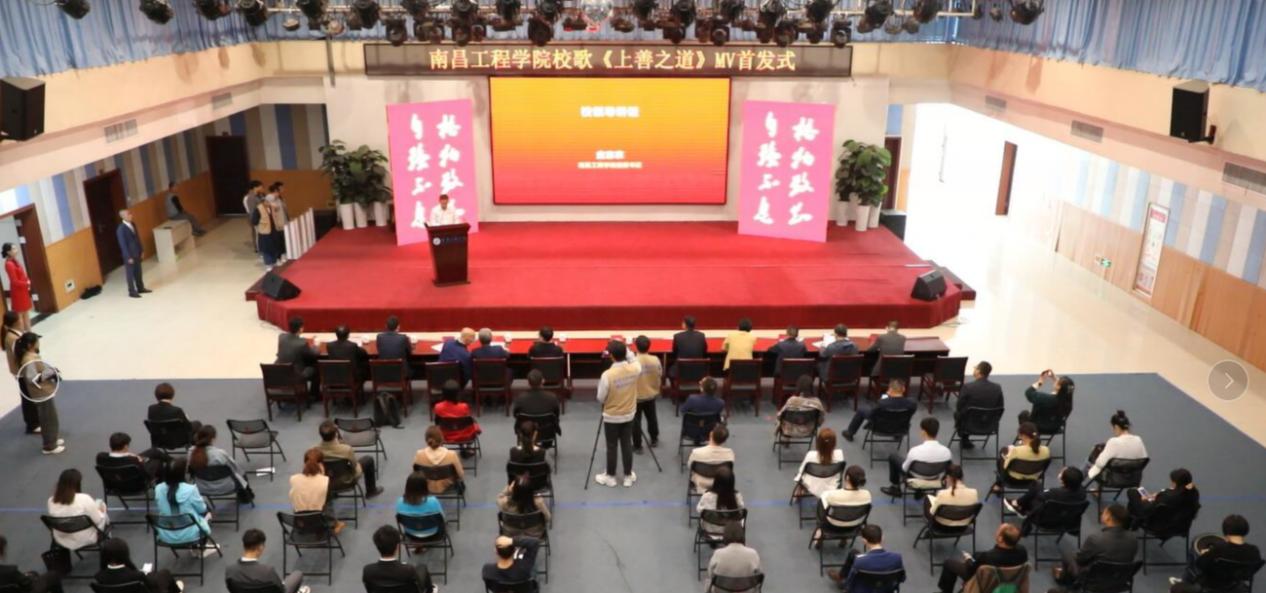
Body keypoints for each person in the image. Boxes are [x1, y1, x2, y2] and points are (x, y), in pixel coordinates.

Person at [1052, 504, 1138, 588]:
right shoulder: (1133, 539)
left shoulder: (1096, 539)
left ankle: (1067, 581)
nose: (1102, 512)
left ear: (1109, 517)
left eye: (1104, 512)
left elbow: (1080, 560)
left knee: (1068, 555)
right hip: (1119, 580)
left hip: (1094, 580)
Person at [1170, 514, 1262, 593]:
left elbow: (1200, 564)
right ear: (1245, 530)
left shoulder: (1218, 550)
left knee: (1176, 588)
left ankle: (1185, 580)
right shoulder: (1254, 551)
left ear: (1225, 531)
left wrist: (1205, 554)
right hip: (1235, 586)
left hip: (1212, 587)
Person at [594, 339, 642, 488]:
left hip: (611, 417)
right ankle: (628, 476)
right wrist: (626, 349)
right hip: (629, 414)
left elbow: (600, 398)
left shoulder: (607, 375)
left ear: (611, 356)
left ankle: (610, 477)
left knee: (611, 446)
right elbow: (634, 360)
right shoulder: (635, 369)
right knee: (627, 444)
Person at [937, 524, 1028, 593]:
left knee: (948, 563)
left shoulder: (986, 557)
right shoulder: (1023, 552)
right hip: (1010, 583)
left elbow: (970, 572)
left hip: (984, 585)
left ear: (1000, 539)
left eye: (998, 530)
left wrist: (968, 559)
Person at [154, 458, 217, 555]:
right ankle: (200, 549)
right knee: (207, 510)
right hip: (191, 534)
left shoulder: (158, 489)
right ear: (183, 474)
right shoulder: (190, 489)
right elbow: (202, 509)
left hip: (166, 534)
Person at [881, 417, 952, 498]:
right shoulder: (947, 452)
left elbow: (904, 469)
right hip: (934, 477)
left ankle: (895, 488)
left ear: (923, 432)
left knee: (893, 457)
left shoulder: (915, 451)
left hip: (916, 477)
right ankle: (920, 491)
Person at [1004, 466, 1087, 535]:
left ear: (1063, 480)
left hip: (1044, 521)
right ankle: (1018, 504)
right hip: (1067, 521)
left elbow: (1040, 495)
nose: (1060, 472)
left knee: (1036, 486)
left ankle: (1018, 505)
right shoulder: (1083, 492)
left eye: (1062, 473)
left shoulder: (1054, 493)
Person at [14, 333, 61, 454]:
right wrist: (50, 373)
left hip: (44, 391)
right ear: (30, 345)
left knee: (51, 417)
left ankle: (53, 439)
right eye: (36, 341)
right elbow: (32, 378)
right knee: (47, 418)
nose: (38, 343)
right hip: (40, 393)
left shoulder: (31, 356)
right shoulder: (29, 359)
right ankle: (49, 445)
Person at [316, 420, 383, 498]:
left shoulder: (315, 451)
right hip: (345, 481)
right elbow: (354, 466)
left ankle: (331, 494)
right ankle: (371, 491)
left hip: (326, 482)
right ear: (335, 434)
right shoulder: (346, 449)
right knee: (368, 460)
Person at [827, 525, 904, 592]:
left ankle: (841, 579)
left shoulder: (860, 562)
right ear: (882, 538)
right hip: (885, 590)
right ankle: (840, 576)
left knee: (846, 581)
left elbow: (850, 584)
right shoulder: (897, 558)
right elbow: (902, 578)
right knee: (854, 553)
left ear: (864, 541)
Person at [226, 529, 307, 593]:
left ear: (244, 545)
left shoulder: (230, 571)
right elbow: (281, 591)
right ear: (260, 547)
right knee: (297, 574)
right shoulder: (268, 572)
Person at [46, 469, 109, 551]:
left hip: (62, 540)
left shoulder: (51, 501)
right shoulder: (84, 498)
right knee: (102, 505)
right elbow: (97, 520)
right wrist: (102, 511)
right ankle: (109, 547)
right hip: (85, 539)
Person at [189, 425, 253, 503]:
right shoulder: (220, 454)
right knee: (241, 473)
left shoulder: (190, 453)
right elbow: (235, 468)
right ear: (213, 439)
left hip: (202, 487)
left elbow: (189, 471)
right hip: (226, 486)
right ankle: (246, 496)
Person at [363, 526, 435, 593]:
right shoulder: (408, 570)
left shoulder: (368, 571)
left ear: (377, 546)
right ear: (397, 547)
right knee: (422, 568)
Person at [842, 378, 917, 442]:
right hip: (900, 428)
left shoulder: (882, 403)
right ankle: (898, 435)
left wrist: (886, 399)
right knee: (899, 415)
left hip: (880, 427)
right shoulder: (912, 403)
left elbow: (872, 415)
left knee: (862, 409)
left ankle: (849, 433)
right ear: (903, 389)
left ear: (890, 389)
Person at [95, 538, 181, 593]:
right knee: (165, 573)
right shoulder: (136, 576)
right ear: (124, 554)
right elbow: (151, 585)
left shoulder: (99, 576)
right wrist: (145, 575)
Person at [289, 448, 344, 534]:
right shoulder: (325, 481)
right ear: (321, 464)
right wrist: (323, 474)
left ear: (304, 464)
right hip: (320, 523)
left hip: (301, 523)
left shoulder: (294, 479)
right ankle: (335, 525)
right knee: (328, 502)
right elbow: (328, 508)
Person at [1086, 410, 1148, 483]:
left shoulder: (1113, 442)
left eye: (1113, 428)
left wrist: (1095, 453)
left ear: (1116, 427)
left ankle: (1076, 482)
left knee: (1089, 461)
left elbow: (1100, 463)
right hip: (1133, 479)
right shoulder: (1138, 440)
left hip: (1114, 479)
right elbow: (1144, 458)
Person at [990, 422, 1050, 495]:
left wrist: (1009, 452)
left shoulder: (1016, 451)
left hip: (1014, 480)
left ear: (1023, 436)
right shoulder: (1046, 450)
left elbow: (1005, 467)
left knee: (1000, 459)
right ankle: (997, 485)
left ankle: (998, 485)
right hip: (1033, 479)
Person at [1127, 468, 1200, 529]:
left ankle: (1132, 522)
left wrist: (1145, 500)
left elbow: (1151, 508)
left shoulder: (1168, 496)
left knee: (1132, 492)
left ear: (1175, 483)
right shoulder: (1193, 493)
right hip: (1181, 526)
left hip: (1158, 525)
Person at [955, 361, 1004, 449]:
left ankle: (964, 437)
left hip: (969, 424)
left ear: (978, 371)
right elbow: (1000, 407)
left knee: (958, 414)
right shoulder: (997, 388)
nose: (974, 369)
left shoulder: (967, 387)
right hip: (989, 424)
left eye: (975, 367)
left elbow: (959, 406)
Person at [4, 311, 37, 434]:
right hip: (22, 371)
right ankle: (32, 424)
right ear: (16, 322)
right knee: (28, 397)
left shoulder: (14, 334)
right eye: (20, 319)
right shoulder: (13, 338)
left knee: (28, 396)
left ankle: (33, 421)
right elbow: (19, 355)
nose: (22, 321)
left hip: (21, 370)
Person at [817, 465, 872, 537]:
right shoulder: (867, 495)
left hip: (833, 525)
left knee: (821, 504)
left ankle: (819, 532)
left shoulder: (832, 495)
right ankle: (844, 539)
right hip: (855, 525)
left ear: (847, 477)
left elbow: (822, 512)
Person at [706, 522, 761, 591]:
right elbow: (758, 576)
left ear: (725, 536)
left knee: (708, 582)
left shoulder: (718, 554)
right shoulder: (753, 554)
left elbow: (710, 574)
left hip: (722, 591)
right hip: (746, 591)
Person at [632, 335, 663, 453]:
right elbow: (660, 373)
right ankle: (654, 439)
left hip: (636, 397)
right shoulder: (655, 359)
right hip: (651, 395)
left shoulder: (632, 361)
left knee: (636, 422)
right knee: (652, 418)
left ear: (636, 347)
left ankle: (637, 446)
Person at [794, 428, 846, 497]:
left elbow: (801, 471)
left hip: (811, 485)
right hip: (832, 485)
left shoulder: (811, 455)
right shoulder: (840, 454)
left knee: (799, 475)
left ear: (818, 443)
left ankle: (800, 490)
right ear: (834, 443)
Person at [413, 425, 465, 494]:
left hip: (426, 486)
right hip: (448, 485)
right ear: (441, 439)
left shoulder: (419, 455)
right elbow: (461, 474)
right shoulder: (452, 455)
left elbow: (415, 472)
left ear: (426, 440)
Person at [97, 431, 170, 480]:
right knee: (157, 462)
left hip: (116, 479)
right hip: (134, 482)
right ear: (125, 446)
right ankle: (172, 467)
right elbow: (144, 473)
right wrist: (140, 461)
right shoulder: (132, 460)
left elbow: (119, 457)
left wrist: (129, 455)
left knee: (153, 451)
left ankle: (173, 463)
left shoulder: (101, 457)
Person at [1020, 370, 1075, 435]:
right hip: (1055, 428)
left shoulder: (1046, 399)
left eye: (1058, 381)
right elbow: (1064, 388)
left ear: (1059, 387)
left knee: (1023, 414)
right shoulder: (1068, 402)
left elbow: (1028, 393)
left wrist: (1040, 382)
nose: (1057, 380)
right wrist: (1054, 378)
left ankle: (1026, 437)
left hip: (1038, 427)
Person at [276, 317, 319, 395]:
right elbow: (315, 353)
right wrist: (313, 345)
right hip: (296, 374)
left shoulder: (281, 337)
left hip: (280, 371)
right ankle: (314, 395)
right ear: (300, 329)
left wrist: (306, 341)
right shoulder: (302, 343)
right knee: (316, 368)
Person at [696, 467, 745, 536]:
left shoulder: (707, 496)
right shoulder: (737, 496)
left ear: (716, 481)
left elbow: (699, 510)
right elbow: (741, 511)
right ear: (732, 483)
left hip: (710, 531)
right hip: (731, 533)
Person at [688, 424, 736, 492]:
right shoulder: (730, 454)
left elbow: (690, 466)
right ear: (724, 440)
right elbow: (729, 469)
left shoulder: (696, 452)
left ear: (711, 434)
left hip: (700, 481)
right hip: (721, 482)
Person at [396, 472, 445, 539]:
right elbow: (442, 519)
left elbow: (401, 521)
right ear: (425, 486)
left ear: (407, 487)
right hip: (434, 534)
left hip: (411, 534)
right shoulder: (433, 501)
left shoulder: (400, 502)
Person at [433, 380, 481, 446]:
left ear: (443, 394)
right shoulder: (464, 406)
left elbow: (436, 423)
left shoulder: (438, 407)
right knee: (472, 421)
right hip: (463, 436)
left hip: (444, 436)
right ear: (458, 394)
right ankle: (467, 446)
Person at [680, 377, 726, 445]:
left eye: (701, 383)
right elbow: (720, 417)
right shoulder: (720, 403)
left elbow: (682, 411)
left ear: (702, 388)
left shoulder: (692, 399)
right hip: (710, 431)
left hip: (690, 431)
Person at [115, 209, 149, 297]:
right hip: (129, 255)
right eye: (128, 214)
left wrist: (141, 250)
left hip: (137, 252)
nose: (131, 215)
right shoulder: (121, 229)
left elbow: (137, 238)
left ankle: (140, 288)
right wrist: (128, 257)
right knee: (130, 273)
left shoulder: (133, 224)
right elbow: (123, 244)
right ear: (123, 216)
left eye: (130, 213)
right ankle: (132, 291)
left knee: (138, 271)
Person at [3, 244, 32, 331]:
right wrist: (26, 284)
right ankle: (22, 335)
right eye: (14, 248)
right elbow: (14, 281)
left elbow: (22, 274)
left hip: (23, 290)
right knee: (20, 315)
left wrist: (28, 280)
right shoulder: (9, 264)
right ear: (8, 252)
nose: (16, 250)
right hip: (17, 292)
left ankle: (30, 333)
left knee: (26, 312)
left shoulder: (15, 261)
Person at [253, 188, 284, 268]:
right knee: (266, 248)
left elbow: (276, 213)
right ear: (263, 201)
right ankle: (268, 264)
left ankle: (274, 261)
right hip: (264, 231)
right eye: (267, 201)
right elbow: (254, 221)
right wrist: (261, 225)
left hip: (273, 230)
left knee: (275, 246)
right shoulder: (258, 209)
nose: (269, 203)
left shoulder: (271, 207)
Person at [243, 180, 264, 254]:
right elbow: (251, 211)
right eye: (260, 186)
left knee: (260, 233)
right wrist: (255, 220)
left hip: (261, 216)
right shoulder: (250, 197)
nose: (262, 188)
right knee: (257, 233)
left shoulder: (259, 195)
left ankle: (260, 247)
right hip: (255, 217)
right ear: (255, 187)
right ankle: (258, 248)